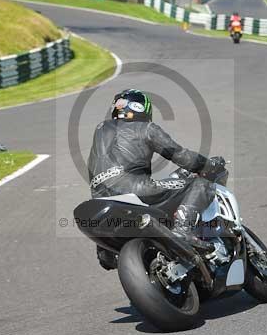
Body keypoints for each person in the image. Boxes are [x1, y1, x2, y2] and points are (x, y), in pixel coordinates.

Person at [87, 89, 225, 270]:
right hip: (136, 188)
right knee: (202, 184)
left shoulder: (100, 130)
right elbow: (182, 156)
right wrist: (208, 165)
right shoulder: (146, 128)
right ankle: (184, 229)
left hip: (100, 198)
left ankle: (107, 249)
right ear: (143, 108)